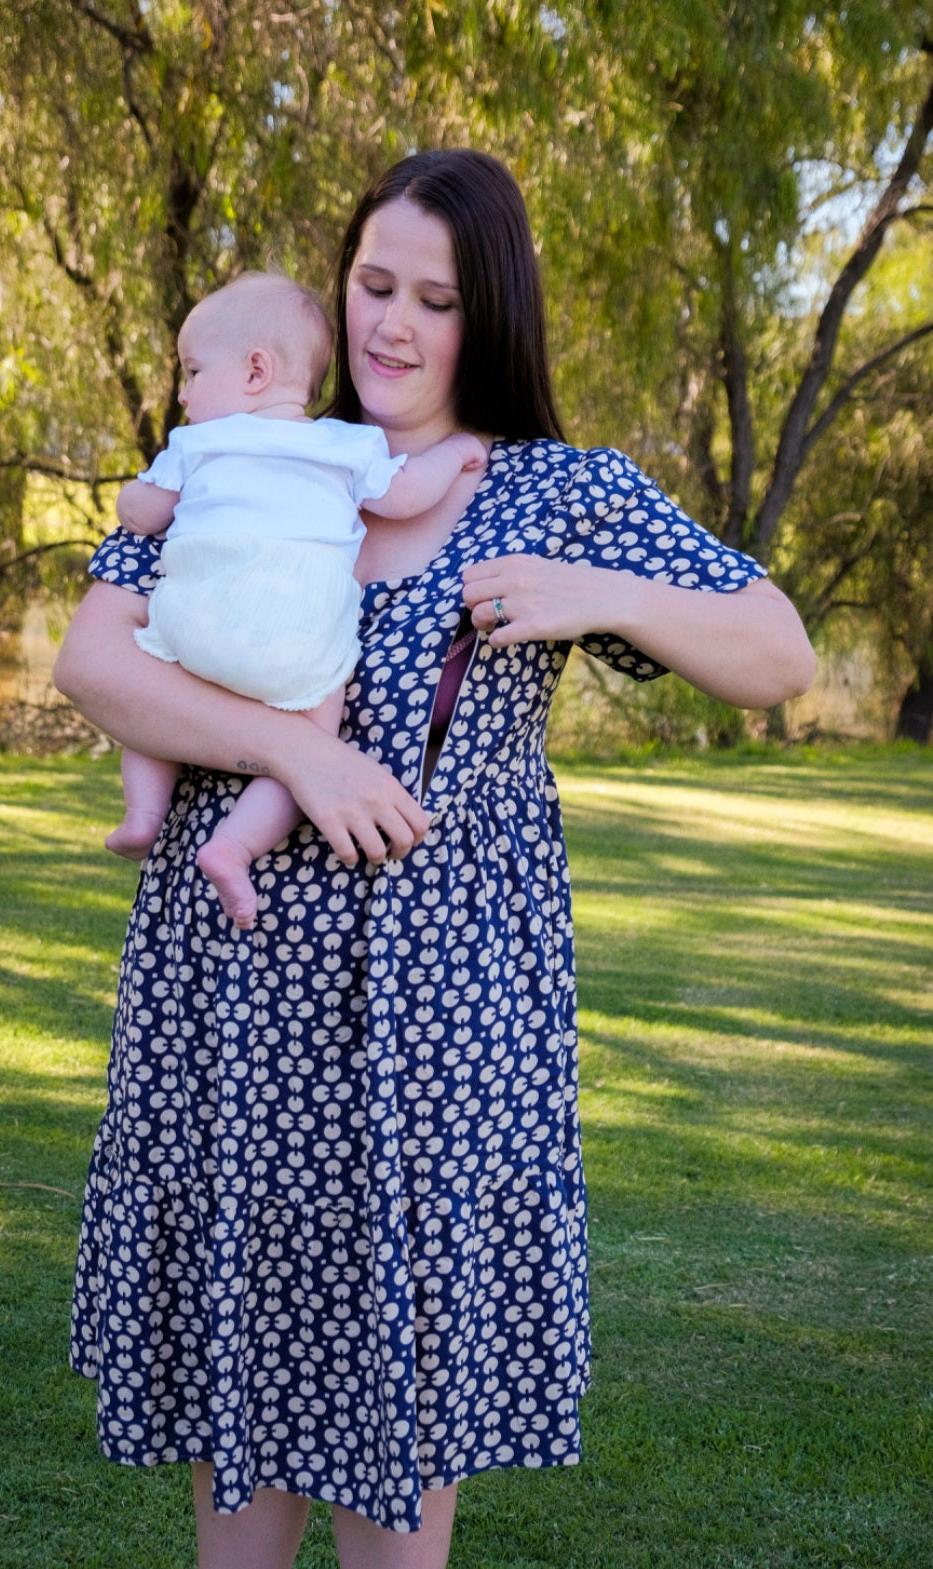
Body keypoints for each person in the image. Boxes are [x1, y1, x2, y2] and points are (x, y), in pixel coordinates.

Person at [55, 149, 815, 1569]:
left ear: (493, 316)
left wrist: (598, 594)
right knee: (250, 1376)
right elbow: (94, 658)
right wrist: (301, 756)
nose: (395, 324)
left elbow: (779, 651)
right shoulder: (263, 447)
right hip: (236, 1005)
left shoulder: (552, 492)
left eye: (437, 297)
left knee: (402, 1420)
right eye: (373, 284)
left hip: (438, 1028)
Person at [104, 271, 486, 928]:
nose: (183, 392)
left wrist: (132, 500)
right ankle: (235, 845)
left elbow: (143, 512)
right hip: (300, 646)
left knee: (151, 694)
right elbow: (404, 496)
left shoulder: (196, 443)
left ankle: (143, 813)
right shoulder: (343, 445)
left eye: (192, 372)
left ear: (255, 370)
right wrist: (456, 454)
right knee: (316, 736)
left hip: (193, 625)